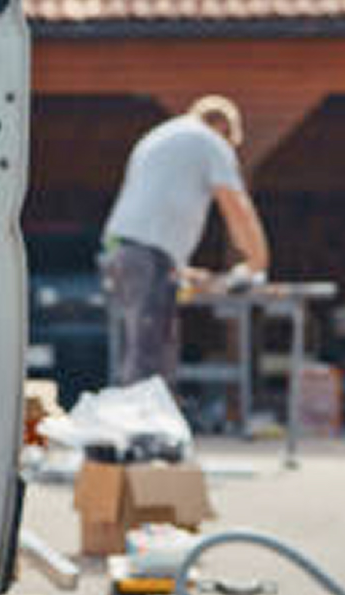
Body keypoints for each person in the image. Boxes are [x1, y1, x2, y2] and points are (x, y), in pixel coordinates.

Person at [98, 95, 271, 386]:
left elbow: (158, 204)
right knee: (148, 356)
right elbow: (236, 207)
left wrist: (177, 265)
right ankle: (141, 429)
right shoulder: (209, 141)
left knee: (149, 348)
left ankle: (148, 423)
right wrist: (257, 261)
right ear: (223, 129)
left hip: (125, 251)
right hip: (145, 255)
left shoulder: (162, 137)